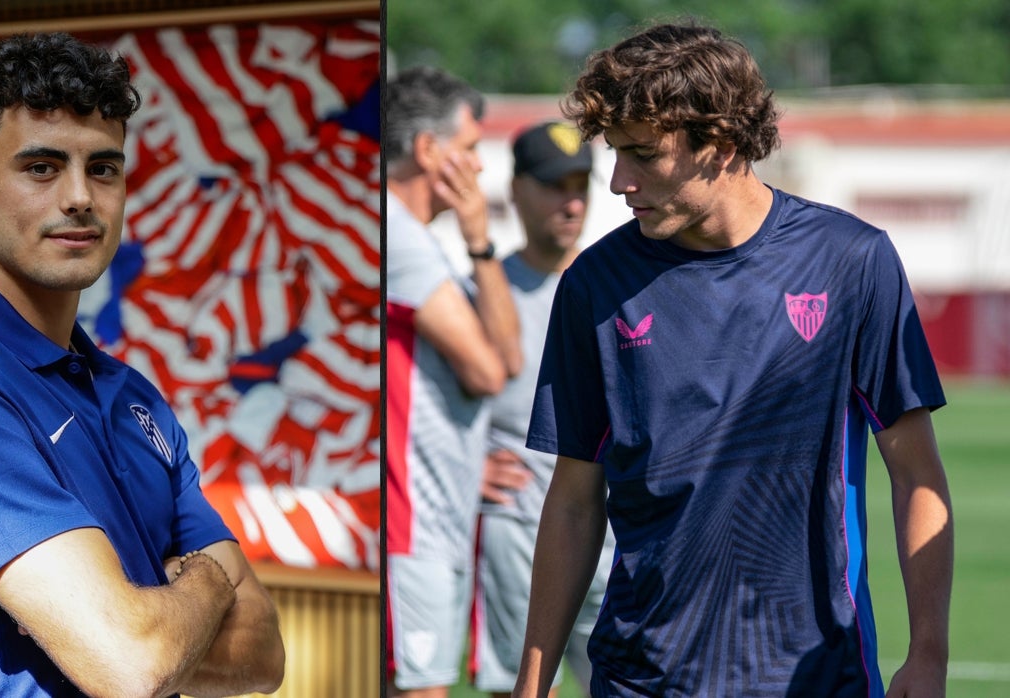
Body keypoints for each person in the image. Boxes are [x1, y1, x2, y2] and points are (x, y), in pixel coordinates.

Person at [513, 23, 953, 698]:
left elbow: (916, 475)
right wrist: (532, 686)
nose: (618, 183)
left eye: (641, 156)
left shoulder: (851, 262)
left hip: (814, 675)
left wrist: (928, 656)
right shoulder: (593, 287)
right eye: (615, 155)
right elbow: (574, 500)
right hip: (640, 678)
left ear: (717, 145)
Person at [0, 32, 285, 698]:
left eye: (104, 168)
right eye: (41, 167)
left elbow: (263, 654)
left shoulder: (134, 397)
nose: (80, 197)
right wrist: (203, 581)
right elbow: (129, 663)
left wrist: (131, 620)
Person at [384, 65, 521, 698]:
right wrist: (478, 238)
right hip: (411, 525)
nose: (478, 168)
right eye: (468, 150)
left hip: (434, 515)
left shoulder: (416, 240)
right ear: (428, 150)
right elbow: (493, 368)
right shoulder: (399, 237)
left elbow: (506, 357)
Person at [471, 121, 614, 698]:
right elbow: (418, 408)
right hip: (519, 541)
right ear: (517, 189)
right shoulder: (478, 288)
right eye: (556, 185)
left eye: (582, 183)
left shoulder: (620, 281)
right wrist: (469, 467)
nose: (572, 200)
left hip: (619, 539)